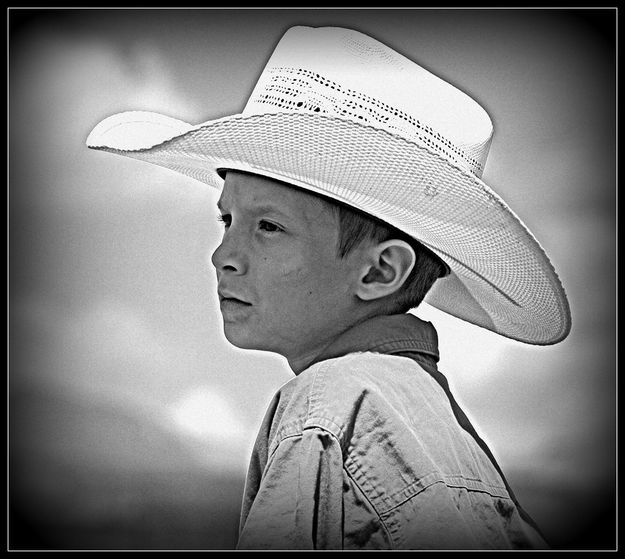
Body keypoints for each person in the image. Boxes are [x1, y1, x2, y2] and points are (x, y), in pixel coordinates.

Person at [87, 25, 571, 550]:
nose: (223, 256)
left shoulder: (329, 409)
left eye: (267, 227)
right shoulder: (434, 422)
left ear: (380, 272)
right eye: (227, 220)